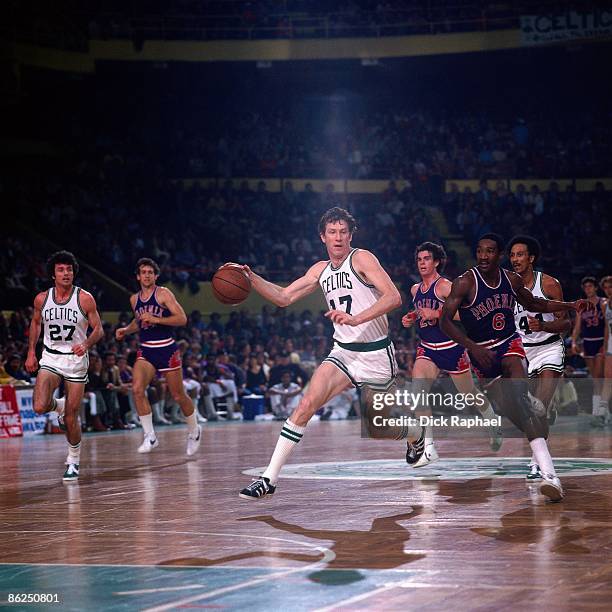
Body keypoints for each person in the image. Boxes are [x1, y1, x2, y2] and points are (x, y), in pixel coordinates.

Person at [237, 207, 402, 499]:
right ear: (322, 237)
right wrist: (252, 279)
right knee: (305, 405)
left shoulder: (362, 258)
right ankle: (269, 479)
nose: (338, 238)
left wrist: (356, 318)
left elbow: (393, 297)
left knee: (385, 425)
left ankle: (418, 436)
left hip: (376, 354)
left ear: (351, 235)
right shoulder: (320, 270)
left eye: (343, 232)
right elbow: (284, 297)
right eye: (332, 232)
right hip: (343, 352)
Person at [439, 234, 589, 502]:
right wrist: (472, 347)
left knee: (520, 400)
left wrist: (570, 306)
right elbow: (445, 322)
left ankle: (550, 477)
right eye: (480, 250)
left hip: (511, 345)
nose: (484, 256)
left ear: (499, 255)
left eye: (490, 251)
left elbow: (536, 304)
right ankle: (535, 425)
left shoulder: (512, 280)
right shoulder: (465, 282)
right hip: (482, 353)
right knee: (516, 414)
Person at [402, 242, 502, 467]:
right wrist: (411, 318)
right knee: (418, 393)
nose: (422, 263)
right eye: (419, 259)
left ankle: (491, 419)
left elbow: (468, 315)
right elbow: (421, 314)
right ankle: (428, 447)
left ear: (436, 261)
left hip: (451, 347)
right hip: (427, 348)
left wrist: (436, 313)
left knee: (469, 393)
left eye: (427, 259)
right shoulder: (415, 289)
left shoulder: (445, 286)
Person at [25, 250, 104, 482]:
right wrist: (31, 351)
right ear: (53, 274)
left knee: (71, 417)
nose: (66, 273)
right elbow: (36, 323)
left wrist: (86, 343)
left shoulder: (85, 298)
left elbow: (98, 329)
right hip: (50, 356)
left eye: (69, 269)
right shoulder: (42, 299)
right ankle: (58, 406)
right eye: (61, 269)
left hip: (75, 360)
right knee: (39, 406)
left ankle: (73, 460)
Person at [115, 258, 201, 455]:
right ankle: (150, 436)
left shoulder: (163, 293)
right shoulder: (134, 299)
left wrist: (157, 319)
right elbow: (139, 321)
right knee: (137, 389)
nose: (146, 275)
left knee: (178, 394)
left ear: (156, 275)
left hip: (166, 348)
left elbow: (182, 319)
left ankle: (194, 431)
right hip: (146, 349)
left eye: (150, 272)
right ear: (138, 276)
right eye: (143, 272)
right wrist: (126, 330)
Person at [509, 235, 571, 479]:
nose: (515, 259)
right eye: (512, 255)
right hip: (522, 353)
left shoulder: (548, 284)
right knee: (528, 411)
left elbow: (565, 321)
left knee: (539, 408)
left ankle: (537, 463)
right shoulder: (507, 286)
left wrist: (544, 326)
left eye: (520, 254)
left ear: (531, 258)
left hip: (548, 348)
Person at [571, 276, 606, 422]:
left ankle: (599, 412)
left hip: (601, 341)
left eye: (590, 286)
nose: (588, 289)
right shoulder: (582, 306)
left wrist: (606, 343)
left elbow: (607, 325)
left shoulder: (603, 303)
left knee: (599, 377)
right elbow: (578, 326)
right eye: (585, 287)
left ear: (596, 288)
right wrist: (573, 342)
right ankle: (599, 411)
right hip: (587, 343)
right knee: (595, 379)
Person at [599, 276, 612, 426]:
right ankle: (602, 412)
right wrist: (604, 345)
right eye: (606, 288)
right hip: (610, 346)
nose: (609, 290)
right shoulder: (605, 304)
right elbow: (607, 328)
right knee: (607, 379)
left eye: (611, 287)